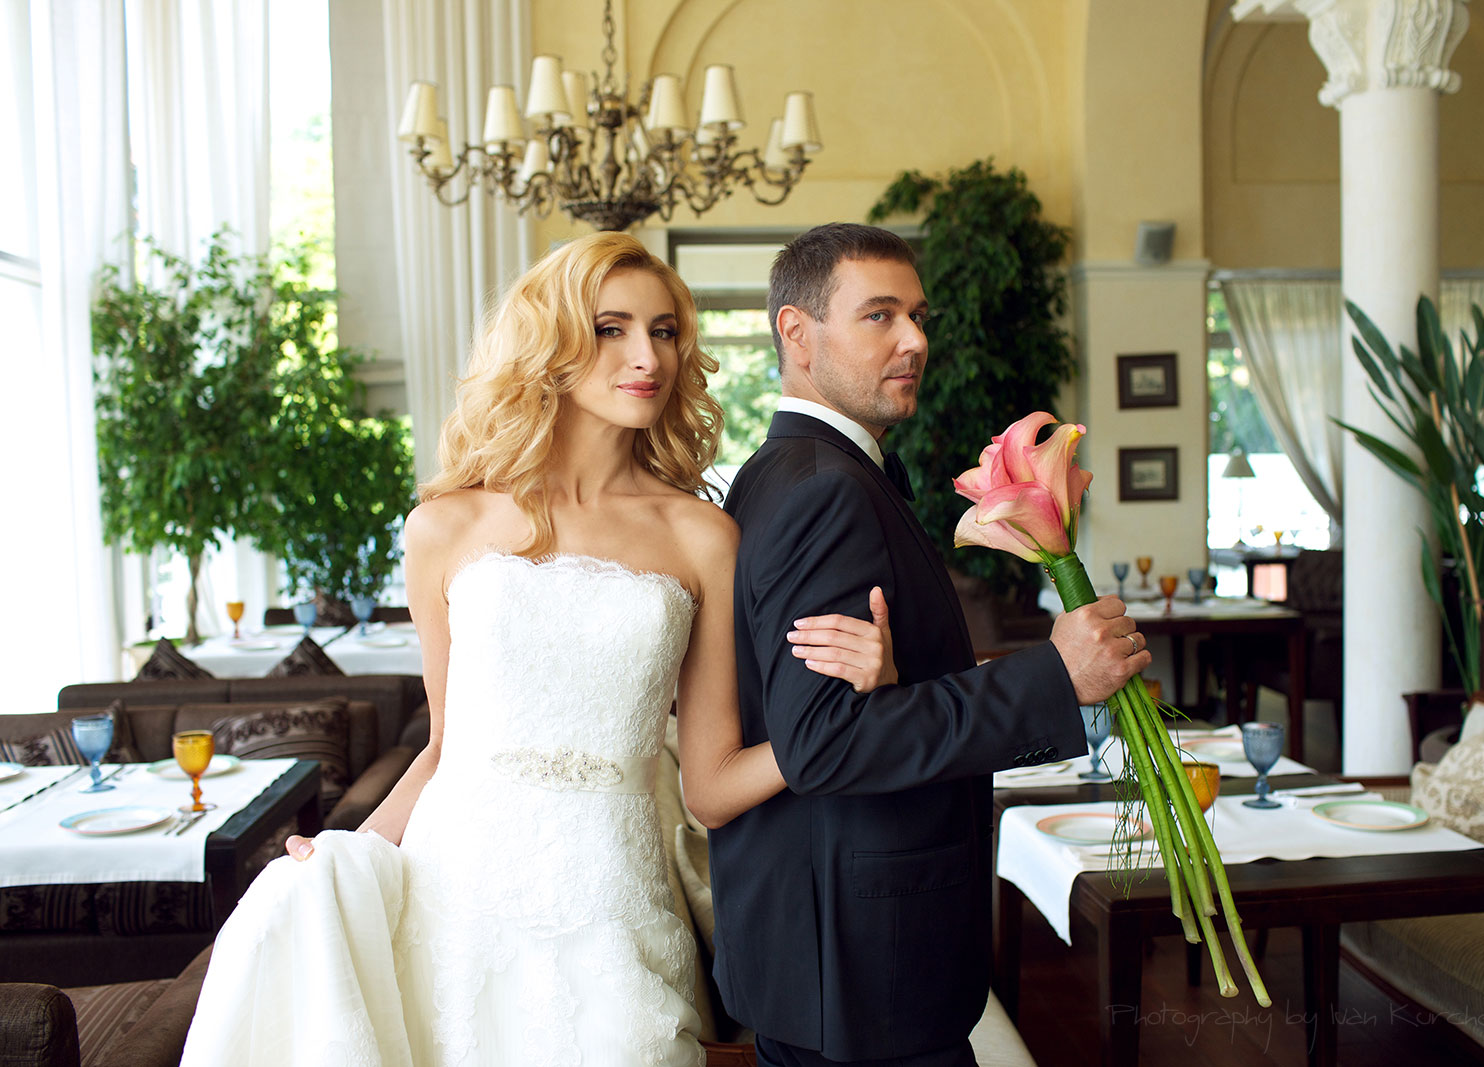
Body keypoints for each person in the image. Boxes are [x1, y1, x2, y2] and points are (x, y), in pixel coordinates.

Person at [180, 232, 898, 1067]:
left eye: (665, 331)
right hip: (455, 899)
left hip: (614, 907)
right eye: (610, 328)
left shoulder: (702, 535)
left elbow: (708, 786)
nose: (648, 356)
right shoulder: (444, 526)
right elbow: (444, 747)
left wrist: (852, 713)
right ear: (551, 344)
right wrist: (347, 849)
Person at [709, 223, 1152, 1067]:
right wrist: (1056, 675)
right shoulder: (824, 491)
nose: (915, 340)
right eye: (879, 315)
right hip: (859, 972)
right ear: (797, 333)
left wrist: (900, 678)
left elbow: (815, 712)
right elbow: (822, 742)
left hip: (832, 963)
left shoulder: (785, 472)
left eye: (917, 316)